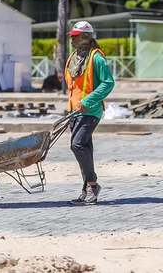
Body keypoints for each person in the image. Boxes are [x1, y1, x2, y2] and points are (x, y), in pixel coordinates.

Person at [64, 21, 115, 205]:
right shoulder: (74, 57)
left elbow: (108, 83)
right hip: (75, 112)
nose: (72, 39)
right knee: (85, 149)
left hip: (90, 110)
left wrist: (87, 101)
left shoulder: (97, 58)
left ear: (85, 37)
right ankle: (87, 190)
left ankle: (92, 185)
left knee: (77, 145)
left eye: (75, 36)